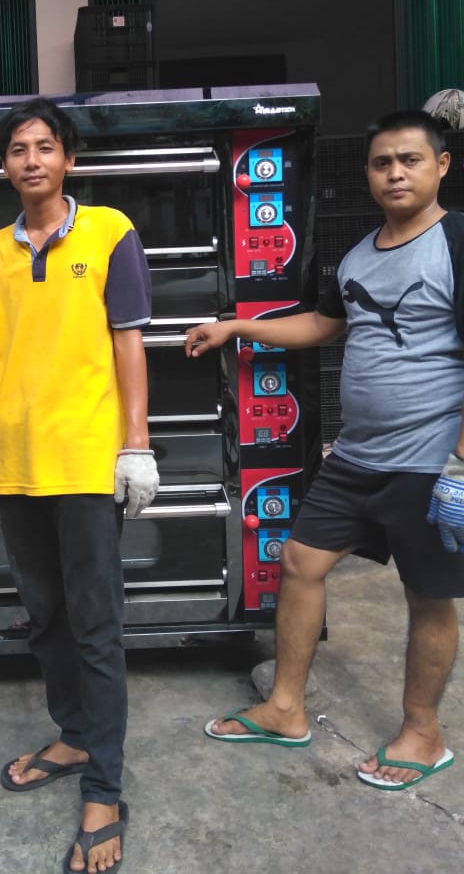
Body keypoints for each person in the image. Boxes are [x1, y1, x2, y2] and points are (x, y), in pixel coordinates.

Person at [186, 109, 464, 792]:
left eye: (410, 160)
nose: (395, 173)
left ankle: (423, 733)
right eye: (381, 163)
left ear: (441, 166)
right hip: (357, 457)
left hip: (429, 462)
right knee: (300, 562)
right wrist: (236, 327)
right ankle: (285, 709)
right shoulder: (358, 255)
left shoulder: (458, 241)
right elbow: (321, 324)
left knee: (428, 596)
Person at [0, 98, 158, 873]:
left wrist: (136, 447)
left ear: (68, 159)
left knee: (95, 625)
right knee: (45, 617)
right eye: (18, 149)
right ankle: (75, 736)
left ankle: (105, 789)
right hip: (18, 467)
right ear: (4, 165)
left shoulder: (109, 231)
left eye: (45, 146)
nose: (32, 159)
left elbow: (129, 342)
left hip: (85, 463)